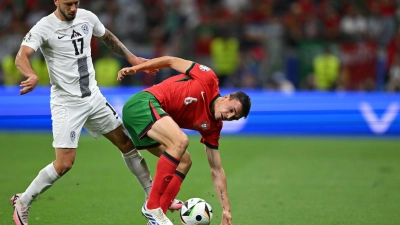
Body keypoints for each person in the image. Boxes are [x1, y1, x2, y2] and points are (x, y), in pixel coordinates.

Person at [9, 1, 181, 225]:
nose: (73, 8)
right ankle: (24, 200)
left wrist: (132, 58)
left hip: (94, 98)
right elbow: (21, 56)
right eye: (68, 4)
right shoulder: (44, 26)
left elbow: (106, 35)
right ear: (56, 1)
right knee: (64, 164)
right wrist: (31, 74)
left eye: (76, 3)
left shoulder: (86, 17)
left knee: (127, 143)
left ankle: (152, 198)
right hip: (67, 103)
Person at [118, 56, 252, 225]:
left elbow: (216, 169)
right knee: (180, 141)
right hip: (141, 104)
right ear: (227, 97)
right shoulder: (208, 78)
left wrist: (227, 210)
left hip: (148, 123)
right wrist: (137, 68)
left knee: (184, 161)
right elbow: (170, 61)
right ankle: (152, 206)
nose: (229, 116)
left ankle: (158, 216)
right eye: (231, 109)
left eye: (234, 117)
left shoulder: (213, 127)